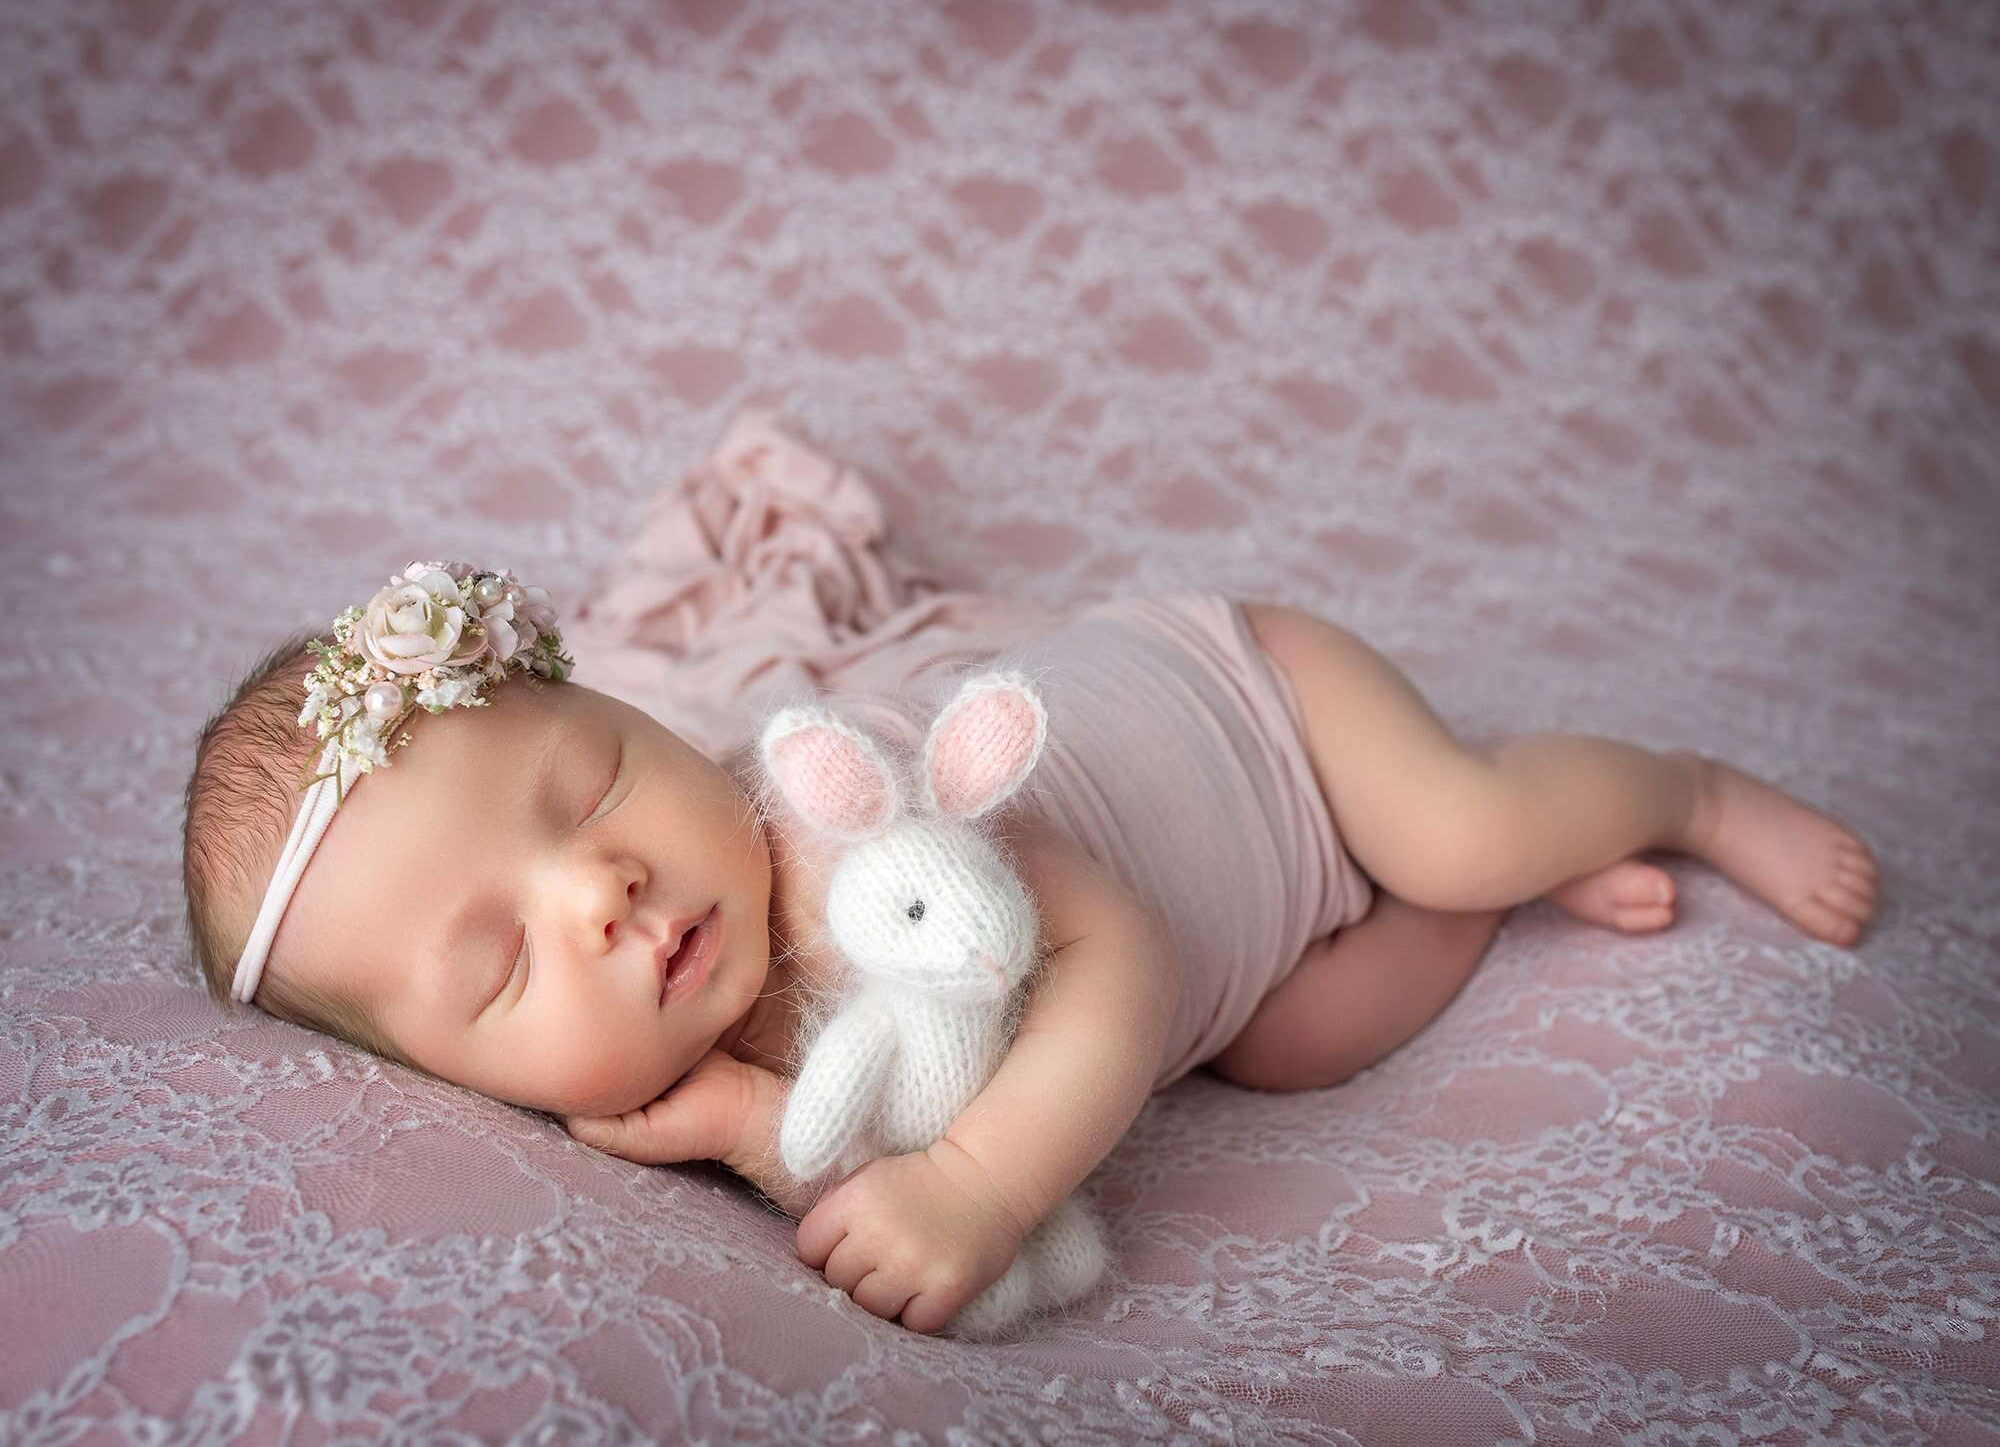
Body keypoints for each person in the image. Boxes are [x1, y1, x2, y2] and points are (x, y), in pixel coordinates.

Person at [181, 558, 1878, 1336]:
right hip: (1256, 955)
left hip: (1255, 701)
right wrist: (730, 1132)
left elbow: (1116, 973)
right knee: (1294, 1044)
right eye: (502, 971)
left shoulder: (854, 820)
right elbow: (849, 1125)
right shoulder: (677, 1067)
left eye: (594, 779)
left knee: (1457, 821)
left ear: (652, 719)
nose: (601, 893)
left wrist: (986, 1188)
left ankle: (1673, 795)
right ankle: (1487, 894)